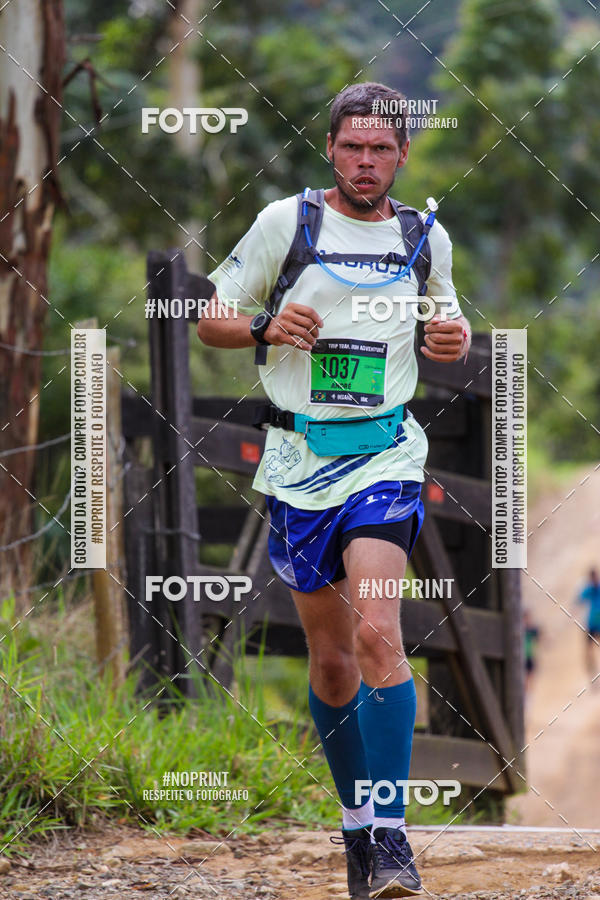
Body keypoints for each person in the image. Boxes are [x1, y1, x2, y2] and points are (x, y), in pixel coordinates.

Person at [198, 81, 471, 899]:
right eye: (352, 147)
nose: (365, 161)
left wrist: (448, 338)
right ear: (330, 149)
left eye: (380, 149)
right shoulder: (289, 224)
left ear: (403, 154)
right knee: (330, 661)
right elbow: (209, 317)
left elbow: (446, 336)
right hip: (296, 460)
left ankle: (393, 838)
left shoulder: (427, 235)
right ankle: (357, 828)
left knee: (379, 635)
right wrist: (263, 326)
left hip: (386, 457)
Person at [575, 568, 600, 687]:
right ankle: (593, 676)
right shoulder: (588, 589)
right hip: (591, 625)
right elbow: (578, 600)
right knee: (589, 653)